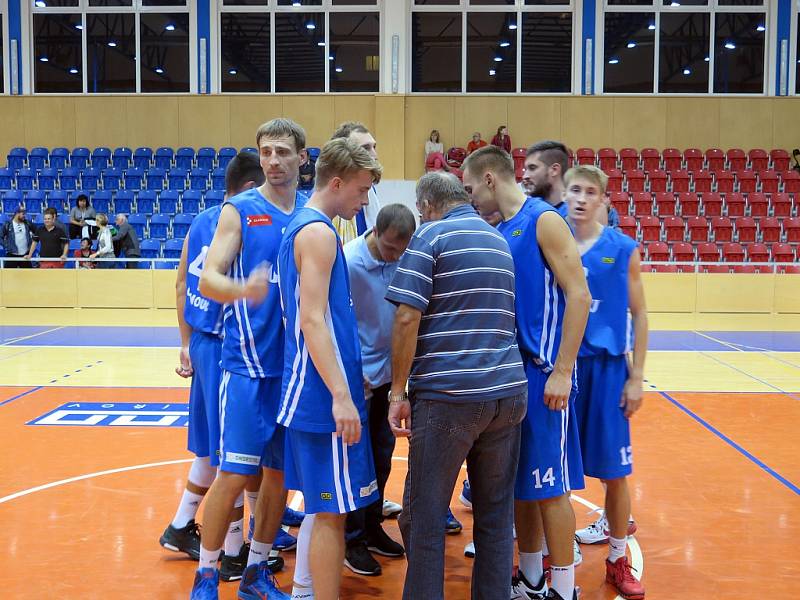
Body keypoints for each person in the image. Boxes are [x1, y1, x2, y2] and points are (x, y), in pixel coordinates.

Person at [386, 171, 528, 600]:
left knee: (423, 518)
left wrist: (397, 391)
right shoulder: (497, 239)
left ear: (426, 205)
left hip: (449, 397)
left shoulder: (429, 238)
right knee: (495, 518)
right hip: (507, 393)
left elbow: (407, 317)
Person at [461, 146, 591, 600]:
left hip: (543, 375)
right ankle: (533, 580)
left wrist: (563, 370)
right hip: (511, 377)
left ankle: (565, 589)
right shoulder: (501, 229)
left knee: (550, 488)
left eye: (472, 188)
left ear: (491, 178)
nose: (470, 197)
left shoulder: (544, 221)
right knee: (523, 485)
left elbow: (579, 295)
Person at [190, 118, 310, 600]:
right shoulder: (239, 210)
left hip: (294, 372)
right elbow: (207, 279)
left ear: (304, 157)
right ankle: (207, 574)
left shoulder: (311, 212)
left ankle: (257, 571)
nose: (274, 161)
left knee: (279, 478)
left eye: (283, 151)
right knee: (235, 473)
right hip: (245, 369)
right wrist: (244, 289)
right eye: (266, 152)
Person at [161, 151, 288, 583]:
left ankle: (190, 528)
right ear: (254, 188)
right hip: (225, 348)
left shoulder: (202, 218)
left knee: (229, 455)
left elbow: (181, 281)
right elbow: (200, 282)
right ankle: (233, 551)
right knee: (229, 458)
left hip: (202, 342)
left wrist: (184, 343)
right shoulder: (241, 220)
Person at [277, 137, 383, 600]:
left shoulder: (306, 226)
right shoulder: (317, 232)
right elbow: (312, 320)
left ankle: (303, 590)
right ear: (336, 182)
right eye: (361, 190)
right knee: (332, 510)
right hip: (321, 393)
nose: (364, 201)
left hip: (315, 384)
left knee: (324, 507)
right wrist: (342, 395)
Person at [566, 165, 647, 600]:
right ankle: (547, 555)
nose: (580, 198)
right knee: (554, 474)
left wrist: (637, 377)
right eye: (574, 190)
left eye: (589, 192)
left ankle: (618, 557)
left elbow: (642, 314)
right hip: (562, 367)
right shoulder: (551, 242)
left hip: (608, 369)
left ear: (604, 201)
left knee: (615, 474)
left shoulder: (623, 248)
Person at [340, 204, 415, 577]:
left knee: (382, 459)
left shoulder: (404, 258)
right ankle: (350, 538)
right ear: (374, 233)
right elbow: (338, 321)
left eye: (401, 251)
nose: (395, 257)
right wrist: (354, 374)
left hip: (391, 378)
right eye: (389, 249)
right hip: (359, 379)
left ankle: (371, 528)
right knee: (358, 462)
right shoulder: (349, 261)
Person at [329, 121, 382, 244]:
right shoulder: (325, 202)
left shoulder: (370, 190)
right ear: (342, 153)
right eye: (366, 148)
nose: (375, 155)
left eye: (374, 147)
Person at [522, 141, 570, 218]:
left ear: (554, 170)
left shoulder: (574, 218)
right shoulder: (526, 212)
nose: (525, 176)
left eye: (532, 168)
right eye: (526, 169)